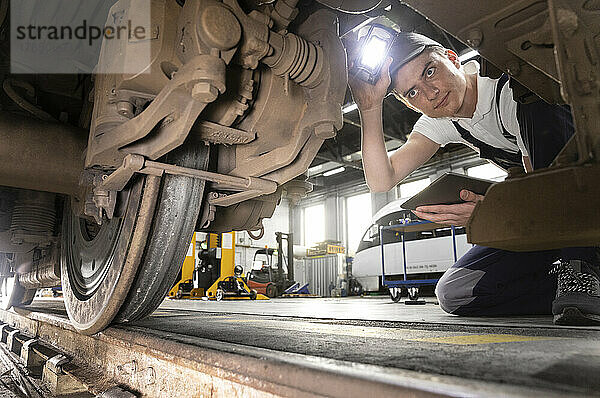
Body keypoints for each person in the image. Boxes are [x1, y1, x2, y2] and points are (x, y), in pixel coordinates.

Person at [348, 30, 600, 325]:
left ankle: (582, 268)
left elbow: (544, 201)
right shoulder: (442, 121)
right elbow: (381, 180)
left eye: (430, 71)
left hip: (585, 200)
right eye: (412, 92)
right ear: (408, 104)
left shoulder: (508, 90)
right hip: (550, 220)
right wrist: (369, 107)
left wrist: (488, 213)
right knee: (456, 291)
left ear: (452, 58)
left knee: (536, 100)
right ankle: (575, 287)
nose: (430, 93)